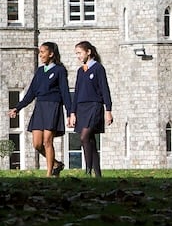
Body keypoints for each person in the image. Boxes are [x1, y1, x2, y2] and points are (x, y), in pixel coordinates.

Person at [7, 41, 72, 176]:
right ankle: (56, 164)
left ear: (51, 54)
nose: (40, 55)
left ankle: (50, 173)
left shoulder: (59, 71)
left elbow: (65, 92)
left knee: (47, 140)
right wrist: (17, 108)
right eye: (40, 52)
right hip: (40, 107)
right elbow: (31, 92)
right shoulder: (40, 71)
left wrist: (70, 113)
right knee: (37, 144)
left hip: (53, 106)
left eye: (43, 52)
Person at [67, 40, 113, 177]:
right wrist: (72, 112)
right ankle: (97, 173)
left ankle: (87, 170)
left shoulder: (98, 68)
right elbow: (77, 91)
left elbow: (105, 90)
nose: (78, 56)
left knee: (84, 137)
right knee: (90, 140)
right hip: (81, 108)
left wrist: (108, 110)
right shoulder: (80, 71)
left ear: (88, 52)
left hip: (94, 106)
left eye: (79, 53)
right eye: (76, 54)